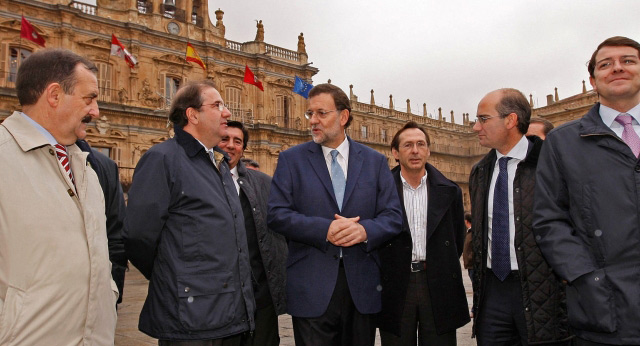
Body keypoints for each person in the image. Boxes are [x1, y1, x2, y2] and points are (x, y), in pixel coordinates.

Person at [267, 83, 402, 346]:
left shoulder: (374, 162)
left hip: (362, 287)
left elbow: (393, 216)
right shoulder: (291, 160)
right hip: (311, 287)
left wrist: (365, 231)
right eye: (310, 114)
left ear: (343, 117)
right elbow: (276, 214)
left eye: (321, 113)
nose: (313, 120)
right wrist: (323, 229)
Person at [0, 48, 118, 345]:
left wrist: (108, 292)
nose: (96, 111)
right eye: (89, 98)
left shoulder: (85, 167)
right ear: (54, 95)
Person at [124, 80, 255, 345]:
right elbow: (138, 236)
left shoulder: (218, 164)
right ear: (192, 115)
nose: (227, 112)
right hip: (191, 318)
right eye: (217, 105)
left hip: (230, 315)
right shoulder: (162, 159)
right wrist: (175, 273)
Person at [533, 36, 640, 346]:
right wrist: (585, 278)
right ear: (593, 80)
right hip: (603, 316)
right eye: (605, 64)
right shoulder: (563, 142)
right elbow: (549, 220)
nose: (617, 68)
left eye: (628, 60)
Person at [469, 88, 571, 346]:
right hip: (492, 292)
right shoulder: (479, 172)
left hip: (542, 291)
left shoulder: (554, 165)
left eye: (483, 119)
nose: (474, 127)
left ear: (511, 120)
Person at [377, 121, 469, 346]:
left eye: (420, 144)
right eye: (407, 145)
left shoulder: (451, 191)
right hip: (396, 285)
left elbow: (456, 237)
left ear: (428, 150)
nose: (415, 150)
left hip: (438, 283)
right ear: (395, 153)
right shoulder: (380, 190)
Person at [219, 120, 287, 346]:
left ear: (243, 148)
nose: (230, 145)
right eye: (224, 139)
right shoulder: (198, 182)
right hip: (218, 297)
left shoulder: (264, 183)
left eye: (237, 141)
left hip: (260, 294)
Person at [76, 139, 128, 304]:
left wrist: (113, 292)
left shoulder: (104, 165)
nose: (95, 112)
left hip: (98, 294)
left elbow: (116, 236)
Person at [462, 212, 475, 317]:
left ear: (466, 221)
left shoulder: (472, 233)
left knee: (476, 287)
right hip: (470, 265)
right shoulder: (469, 232)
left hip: (472, 265)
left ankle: (475, 309)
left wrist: (470, 258)